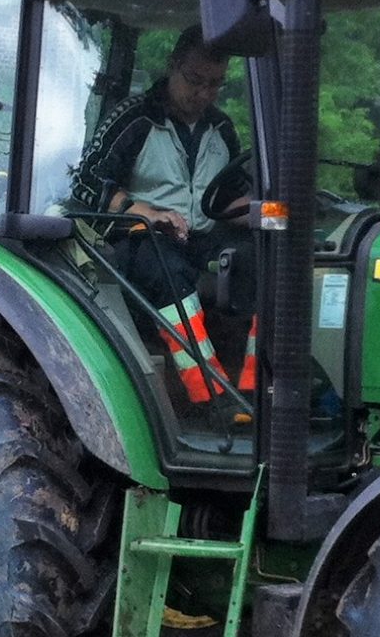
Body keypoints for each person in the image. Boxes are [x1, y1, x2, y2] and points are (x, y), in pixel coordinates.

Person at [72, 29, 258, 410]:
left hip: (200, 237)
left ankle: (257, 388)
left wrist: (262, 212)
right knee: (168, 271)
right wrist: (150, 214)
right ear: (173, 66)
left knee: (260, 260)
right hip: (137, 240)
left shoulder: (220, 128)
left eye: (215, 85)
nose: (204, 94)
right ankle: (210, 396)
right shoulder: (134, 119)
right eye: (194, 80)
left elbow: (222, 197)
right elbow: (87, 183)